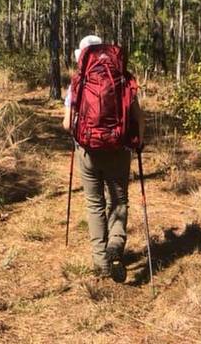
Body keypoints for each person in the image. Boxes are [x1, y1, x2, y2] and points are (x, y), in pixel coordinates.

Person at [62, 35, 145, 282]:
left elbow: (67, 124)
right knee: (119, 200)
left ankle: (101, 261)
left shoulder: (78, 82)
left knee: (94, 204)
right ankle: (116, 247)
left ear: (83, 57)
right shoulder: (123, 79)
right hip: (119, 150)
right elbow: (139, 118)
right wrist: (138, 141)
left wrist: (79, 132)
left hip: (88, 151)